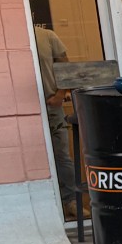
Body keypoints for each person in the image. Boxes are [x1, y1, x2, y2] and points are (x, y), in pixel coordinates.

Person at [34, 23, 76, 212]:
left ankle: (71, 202)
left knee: (61, 156)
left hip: (51, 106)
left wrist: (60, 95)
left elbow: (65, 66)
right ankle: (44, 206)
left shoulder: (47, 36)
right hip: (27, 109)